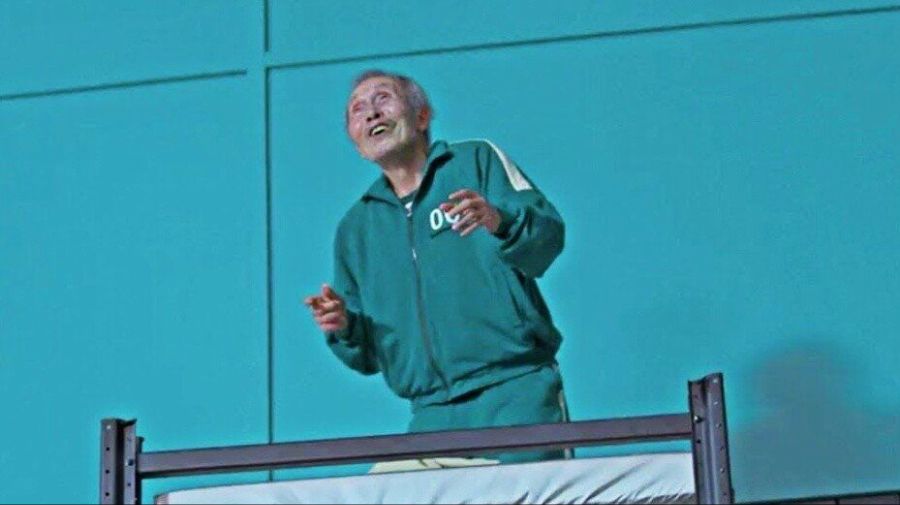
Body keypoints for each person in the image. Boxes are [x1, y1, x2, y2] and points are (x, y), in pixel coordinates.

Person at [302, 69, 569, 463]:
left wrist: (499, 220)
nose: (372, 113)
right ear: (356, 142)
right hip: (431, 417)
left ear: (422, 115)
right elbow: (367, 356)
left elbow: (547, 238)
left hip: (517, 394)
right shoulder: (356, 229)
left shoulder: (475, 162)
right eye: (358, 109)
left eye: (383, 98)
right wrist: (344, 326)